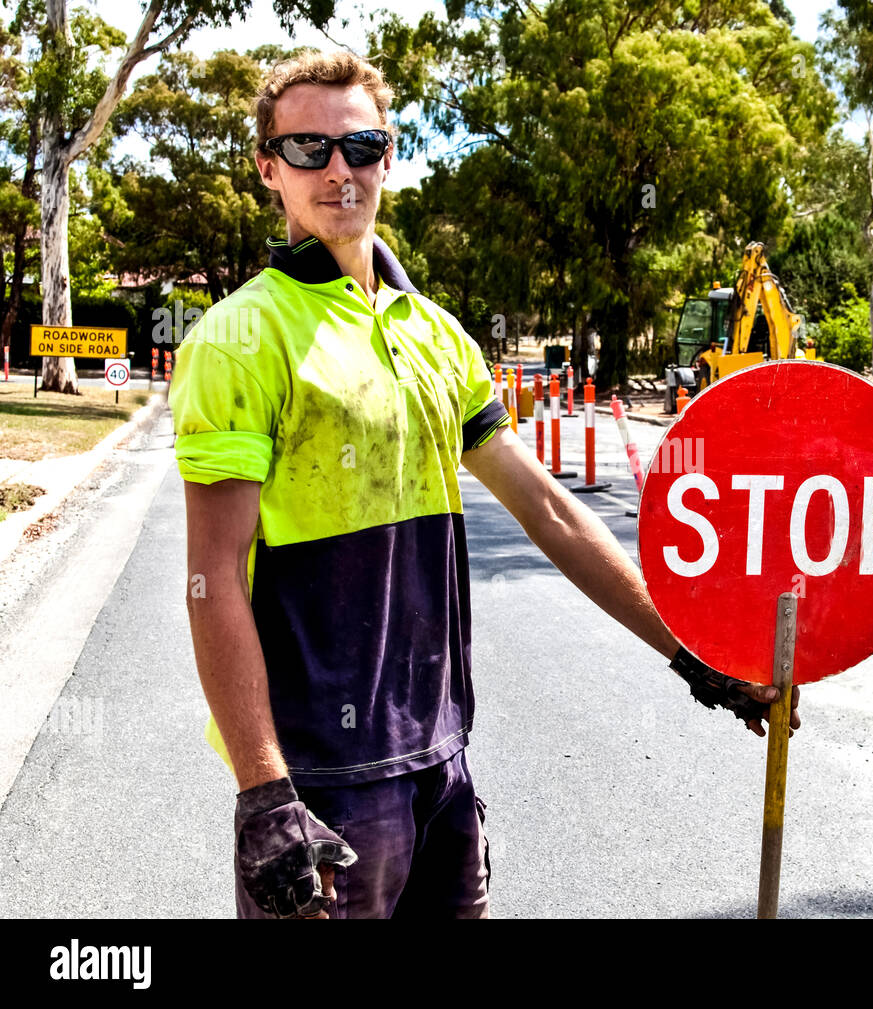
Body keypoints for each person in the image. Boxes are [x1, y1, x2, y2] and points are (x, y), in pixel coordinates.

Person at [169, 50, 801, 920]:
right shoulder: (239, 336)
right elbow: (211, 579)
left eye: (360, 146)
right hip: (319, 779)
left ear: (389, 158)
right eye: (308, 149)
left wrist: (688, 646)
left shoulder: (439, 336)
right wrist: (263, 793)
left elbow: (545, 507)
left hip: (441, 764)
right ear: (268, 168)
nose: (338, 170)